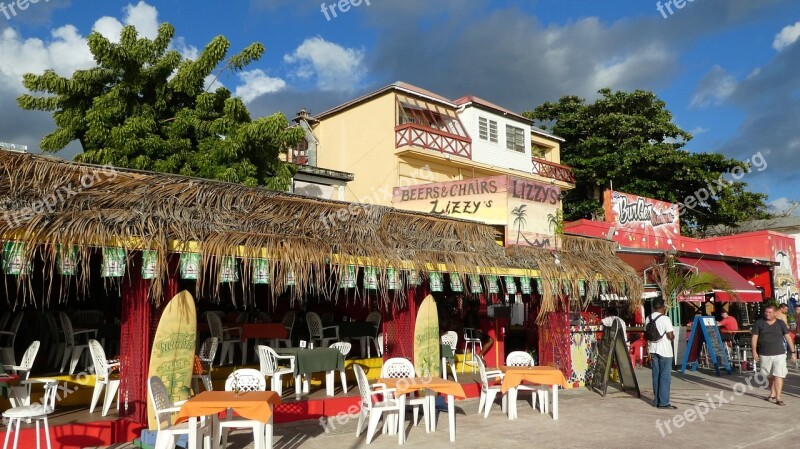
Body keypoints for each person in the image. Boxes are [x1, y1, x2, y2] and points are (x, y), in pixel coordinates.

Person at [752, 305, 797, 406]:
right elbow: (754, 337)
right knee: (768, 375)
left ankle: (778, 397)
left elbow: (788, 337)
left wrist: (793, 352)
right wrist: (754, 351)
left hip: (779, 353)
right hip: (765, 353)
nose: (767, 314)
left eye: (770, 312)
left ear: (775, 313)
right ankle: (772, 392)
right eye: (766, 312)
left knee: (779, 374)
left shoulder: (781, 323)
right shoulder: (759, 323)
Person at [646, 298, 676, 409]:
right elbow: (670, 336)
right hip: (665, 351)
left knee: (656, 376)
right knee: (665, 377)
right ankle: (664, 403)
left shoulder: (648, 318)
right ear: (663, 307)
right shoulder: (665, 319)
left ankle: (656, 400)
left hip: (653, 349)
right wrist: (673, 336)